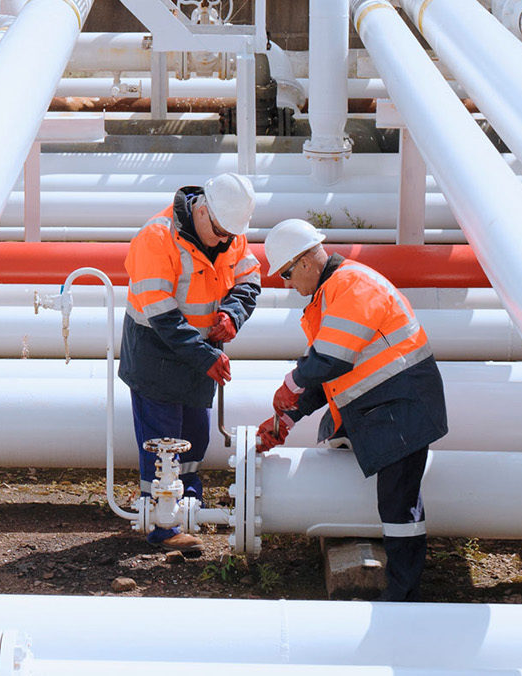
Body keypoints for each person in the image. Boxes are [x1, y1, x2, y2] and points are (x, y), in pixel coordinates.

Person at [257, 218, 448, 600]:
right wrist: (287, 419)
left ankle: (402, 595)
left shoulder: (351, 286)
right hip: (384, 405)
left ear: (307, 261)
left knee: (399, 506)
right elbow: (328, 380)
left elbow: (329, 361)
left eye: (288, 274)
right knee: (337, 439)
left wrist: (290, 385)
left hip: (403, 407)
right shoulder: (330, 294)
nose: (287, 284)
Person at [119, 172, 261, 556]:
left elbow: (249, 279)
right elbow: (163, 317)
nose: (223, 240)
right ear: (201, 210)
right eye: (218, 231)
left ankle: (187, 507)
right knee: (162, 440)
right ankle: (162, 526)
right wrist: (207, 357)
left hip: (198, 354)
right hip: (156, 355)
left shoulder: (230, 233)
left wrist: (233, 313)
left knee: (195, 437)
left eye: (230, 234)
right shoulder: (157, 238)